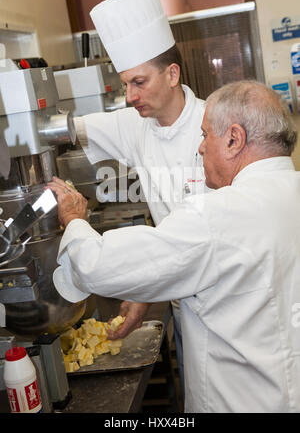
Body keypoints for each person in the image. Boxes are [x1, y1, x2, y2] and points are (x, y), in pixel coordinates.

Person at [49, 80, 300, 412]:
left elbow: (99, 265)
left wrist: (74, 219)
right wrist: (149, 287)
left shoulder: (218, 213)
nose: (199, 148)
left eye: (205, 135)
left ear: (234, 139)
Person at [74, 0, 206, 393]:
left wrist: (146, 287)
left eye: (138, 82)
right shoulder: (138, 125)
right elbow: (69, 132)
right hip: (185, 308)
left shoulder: (213, 129)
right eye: (125, 84)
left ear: (172, 74)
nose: (129, 96)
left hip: (228, 305)